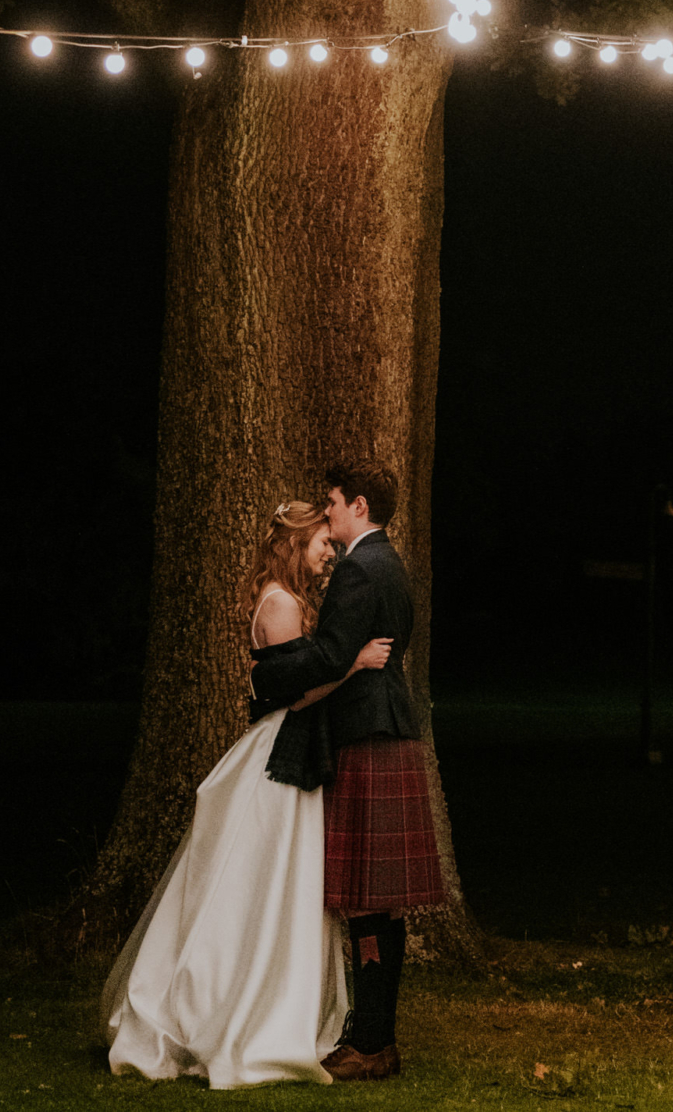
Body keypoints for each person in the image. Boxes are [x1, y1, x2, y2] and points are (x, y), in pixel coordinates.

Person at [102, 501, 393, 1088]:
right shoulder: (281, 604)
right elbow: (295, 694)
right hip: (281, 750)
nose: (327, 555)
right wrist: (355, 664)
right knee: (266, 884)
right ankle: (239, 1012)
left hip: (291, 748)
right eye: (319, 545)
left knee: (274, 885)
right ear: (296, 542)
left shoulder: (283, 597)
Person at [250, 460, 446, 1082]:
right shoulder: (390, 564)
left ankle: (370, 1043)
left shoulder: (360, 569)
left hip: (365, 733)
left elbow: (334, 655)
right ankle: (375, 1037)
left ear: (358, 505)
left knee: (367, 901)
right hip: (387, 730)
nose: (327, 512)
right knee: (380, 905)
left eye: (333, 502)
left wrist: (266, 676)